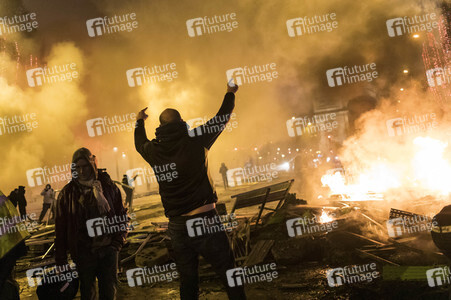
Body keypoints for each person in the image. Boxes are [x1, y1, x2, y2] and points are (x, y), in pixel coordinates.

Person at [134, 83, 246, 300]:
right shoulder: (197, 139)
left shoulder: (153, 151)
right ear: (181, 122)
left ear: (161, 126)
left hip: (177, 226)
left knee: (188, 280)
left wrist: (139, 121)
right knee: (229, 272)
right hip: (205, 219)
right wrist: (230, 93)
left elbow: (140, 143)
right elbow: (222, 117)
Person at [55, 147, 128, 300]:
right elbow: (61, 229)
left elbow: (121, 215)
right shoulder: (67, 194)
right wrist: (61, 259)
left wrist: (117, 243)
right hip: (83, 253)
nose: (82, 171)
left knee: (109, 293)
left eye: (85, 166)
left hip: (108, 250)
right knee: (88, 294)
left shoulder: (108, 187)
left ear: (93, 165)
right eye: (78, 167)